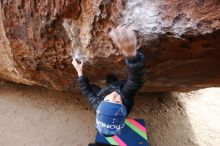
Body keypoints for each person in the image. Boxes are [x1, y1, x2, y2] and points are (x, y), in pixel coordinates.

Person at [72, 25, 145, 136]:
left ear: (100, 106)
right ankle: (111, 82)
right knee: (111, 81)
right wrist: (132, 55)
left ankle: (110, 82)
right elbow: (136, 80)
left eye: (107, 101)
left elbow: (86, 92)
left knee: (92, 88)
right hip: (119, 87)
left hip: (103, 92)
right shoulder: (126, 96)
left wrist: (80, 72)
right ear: (123, 107)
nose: (113, 96)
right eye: (116, 102)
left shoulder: (97, 106)